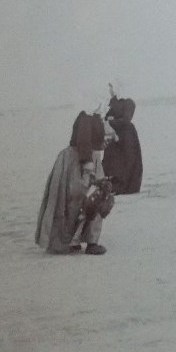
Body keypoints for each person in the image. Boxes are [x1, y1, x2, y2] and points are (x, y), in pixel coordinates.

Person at [35, 106, 108, 255]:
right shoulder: (87, 117)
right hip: (80, 161)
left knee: (80, 200)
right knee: (87, 198)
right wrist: (87, 161)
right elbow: (83, 139)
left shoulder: (91, 116)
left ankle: (75, 240)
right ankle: (86, 241)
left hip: (81, 160)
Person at [102, 82, 143, 195]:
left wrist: (111, 120)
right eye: (109, 87)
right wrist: (110, 120)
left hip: (127, 136)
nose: (110, 90)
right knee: (113, 162)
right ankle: (114, 186)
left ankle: (126, 187)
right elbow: (105, 116)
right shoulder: (111, 101)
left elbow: (126, 120)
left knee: (127, 161)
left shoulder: (129, 102)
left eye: (112, 87)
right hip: (114, 134)